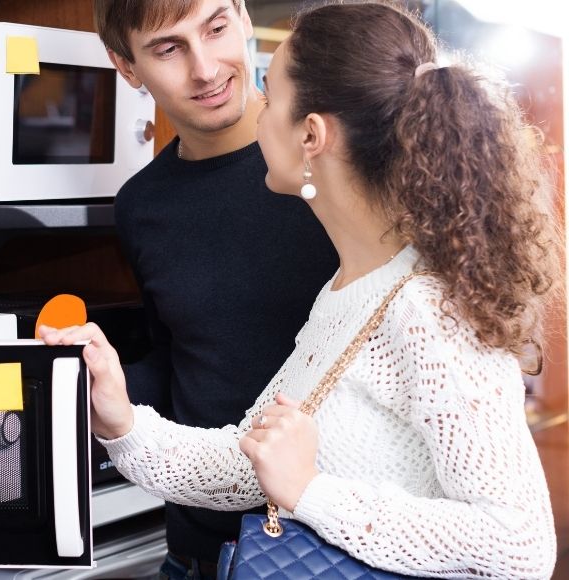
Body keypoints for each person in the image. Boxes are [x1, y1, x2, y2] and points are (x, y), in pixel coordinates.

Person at [42, 1, 561, 577]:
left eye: (272, 92)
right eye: (170, 48)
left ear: (311, 135)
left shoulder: (425, 308)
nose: (254, 109)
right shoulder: (344, 293)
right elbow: (252, 461)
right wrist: (122, 422)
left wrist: (310, 492)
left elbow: (518, 546)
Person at [90, 1, 338, 577]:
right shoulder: (141, 206)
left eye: (216, 28)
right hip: (199, 554)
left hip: (332, 553)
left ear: (245, 18)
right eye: (168, 48)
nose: (205, 68)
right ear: (126, 66)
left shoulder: (334, 160)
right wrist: (86, 383)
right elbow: (187, 357)